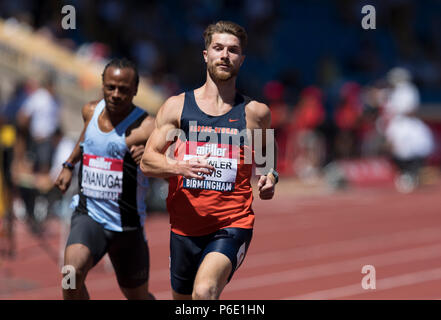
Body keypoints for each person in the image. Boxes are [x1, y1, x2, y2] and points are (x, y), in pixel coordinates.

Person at [140, 21, 278, 300]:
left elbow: (268, 162)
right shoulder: (177, 107)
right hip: (184, 228)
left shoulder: (256, 113)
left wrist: (270, 178)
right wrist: (180, 166)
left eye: (233, 50)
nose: (225, 55)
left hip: (231, 224)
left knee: (204, 292)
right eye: (218, 48)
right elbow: (147, 161)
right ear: (206, 55)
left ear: (242, 59)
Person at [54, 58, 156, 300]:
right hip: (90, 216)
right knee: (70, 275)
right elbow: (86, 139)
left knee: (138, 297)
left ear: (135, 91)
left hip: (127, 226)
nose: (116, 94)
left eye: (123, 89)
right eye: (110, 87)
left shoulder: (146, 126)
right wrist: (69, 164)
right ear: (102, 85)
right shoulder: (90, 110)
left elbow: (167, 162)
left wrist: (149, 157)